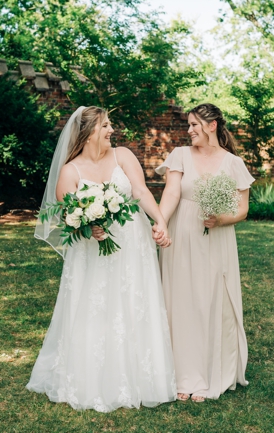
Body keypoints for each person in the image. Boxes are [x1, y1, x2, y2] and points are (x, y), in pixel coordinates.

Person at [28, 106, 176, 412]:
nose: (112, 130)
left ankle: (140, 377)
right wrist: (87, 225)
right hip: (92, 252)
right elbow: (66, 215)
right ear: (88, 132)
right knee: (97, 306)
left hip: (132, 245)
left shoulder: (123, 155)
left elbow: (140, 191)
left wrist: (160, 221)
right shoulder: (70, 171)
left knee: (133, 303)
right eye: (105, 125)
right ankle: (93, 379)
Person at [156, 103, 256, 401]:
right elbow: (172, 192)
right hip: (181, 237)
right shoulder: (180, 155)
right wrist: (161, 223)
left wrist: (220, 219)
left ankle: (207, 375)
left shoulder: (233, 163)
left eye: (194, 125)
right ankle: (181, 375)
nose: (189, 131)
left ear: (212, 125)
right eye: (188, 125)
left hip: (216, 240)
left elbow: (242, 210)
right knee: (181, 302)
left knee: (209, 301)